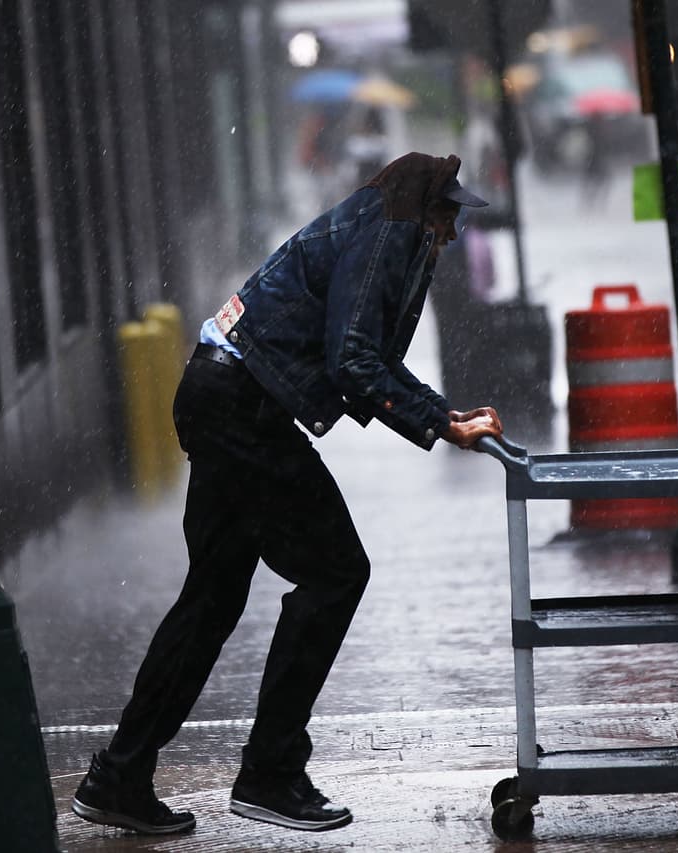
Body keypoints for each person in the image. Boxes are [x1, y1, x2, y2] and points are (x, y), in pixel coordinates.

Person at [71, 152, 503, 835]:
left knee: (211, 600)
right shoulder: (387, 232)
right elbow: (355, 359)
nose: (449, 236)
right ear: (424, 210)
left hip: (222, 395)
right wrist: (437, 423)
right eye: (447, 218)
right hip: (243, 408)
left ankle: (121, 773)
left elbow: (369, 358)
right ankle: (269, 770)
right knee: (336, 571)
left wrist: (441, 413)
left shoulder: (373, 223)